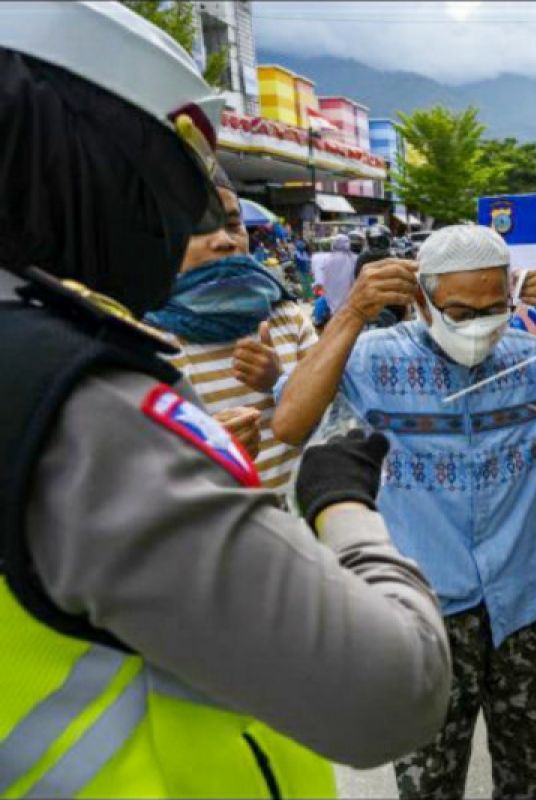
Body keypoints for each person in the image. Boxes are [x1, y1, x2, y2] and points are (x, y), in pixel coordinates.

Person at [0, 4, 452, 796]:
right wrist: (342, 504)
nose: (199, 231)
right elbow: (394, 694)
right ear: (95, 164)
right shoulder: (73, 392)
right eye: (174, 195)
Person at [272, 224, 536, 799]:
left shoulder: (530, 358)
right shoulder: (373, 359)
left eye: (492, 308)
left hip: (520, 608)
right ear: (420, 301)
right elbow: (289, 423)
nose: (477, 325)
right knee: (429, 782)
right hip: (425, 613)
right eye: (457, 310)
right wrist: (352, 312)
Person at [144, 166, 319, 495]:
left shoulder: (287, 317)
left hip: (303, 529)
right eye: (198, 228)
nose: (224, 240)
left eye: (233, 224)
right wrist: (206, 451)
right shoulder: (141, 341)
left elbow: (337, 425)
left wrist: (282, 384)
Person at [312, 232, 356, 315]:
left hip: (330, 297)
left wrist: (318, 284)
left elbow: (320, 274)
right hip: (348, 299)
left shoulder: (327, 259)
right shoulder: (352, 258)